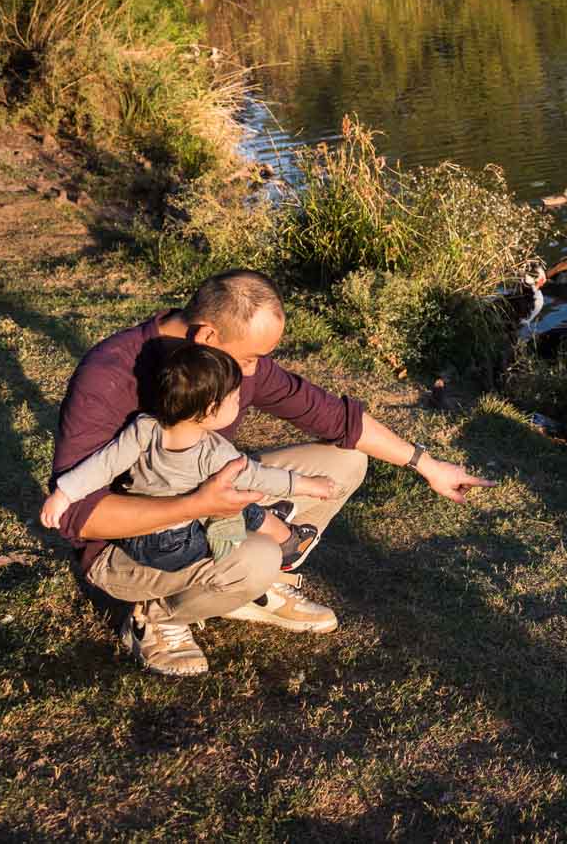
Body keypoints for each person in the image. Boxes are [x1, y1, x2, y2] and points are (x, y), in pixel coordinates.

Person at [49, 269, 494, 677]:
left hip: (210, 501)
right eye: (250, 358)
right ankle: (158, 614)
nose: (255, 370)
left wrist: (427, 465)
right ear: (207, 336)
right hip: (131, 548)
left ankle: (251, 589)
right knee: (259, 554)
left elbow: (336, 419)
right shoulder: (109, 376)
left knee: (346, 461)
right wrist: (197, 504)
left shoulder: (229, 359)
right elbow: (80, 519)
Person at [42, 341, 333, 575]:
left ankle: (255, 522)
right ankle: (287, 541)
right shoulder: (214, 453)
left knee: (221, 498)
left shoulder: (144, 428)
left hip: (134, 536)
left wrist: (64, 493)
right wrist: (308, 484)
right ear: (210, 410)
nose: (240, 402)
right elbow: (259, 476)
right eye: (234, 398)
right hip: (178, 547)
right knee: (240, 503)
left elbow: (104, 464)